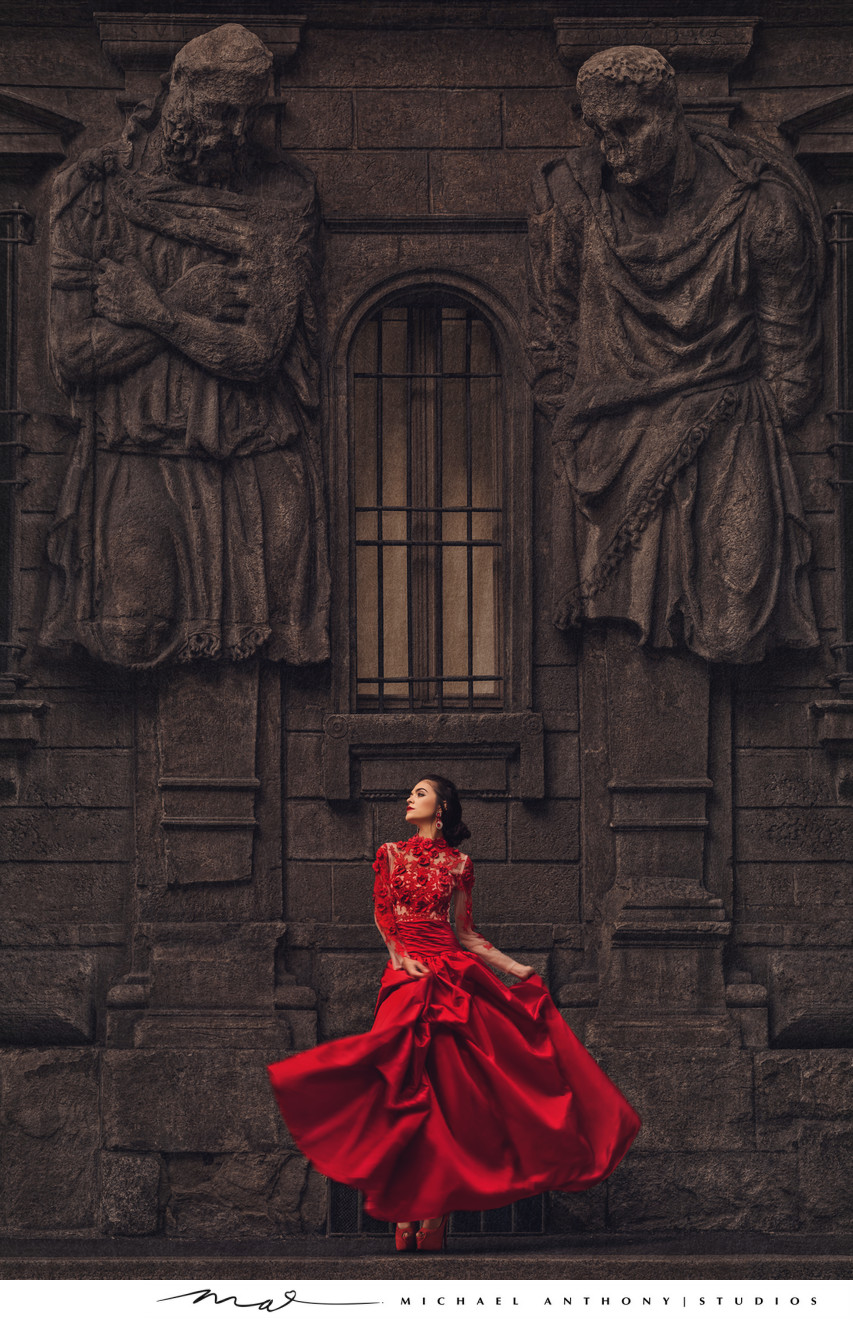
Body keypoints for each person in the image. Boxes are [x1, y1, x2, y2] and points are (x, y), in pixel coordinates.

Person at [526, 45, 824, 664]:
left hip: (731, 431)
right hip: (610, 446)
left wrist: (712, 423)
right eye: (601, 133)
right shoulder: (576, 204)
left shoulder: (761, 212)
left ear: (674, 111)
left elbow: (790, 369)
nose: (615, 149)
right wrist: (600, 418)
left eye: (630, 128)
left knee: (736, 611)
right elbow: (555, 340)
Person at [266, 775, 641, 1252]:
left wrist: (514, 967)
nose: (409, 797)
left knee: (447, 1098)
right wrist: (399, 955)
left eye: (420, 793)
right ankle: (405, 1206)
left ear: (441, 808)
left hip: (453, 975)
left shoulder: (459, 863)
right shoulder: (390, 854)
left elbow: (464, 933)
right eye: (410, 792)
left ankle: (434, 1212)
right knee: (400, 1091)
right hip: (407, 978)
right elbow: (384, 915)